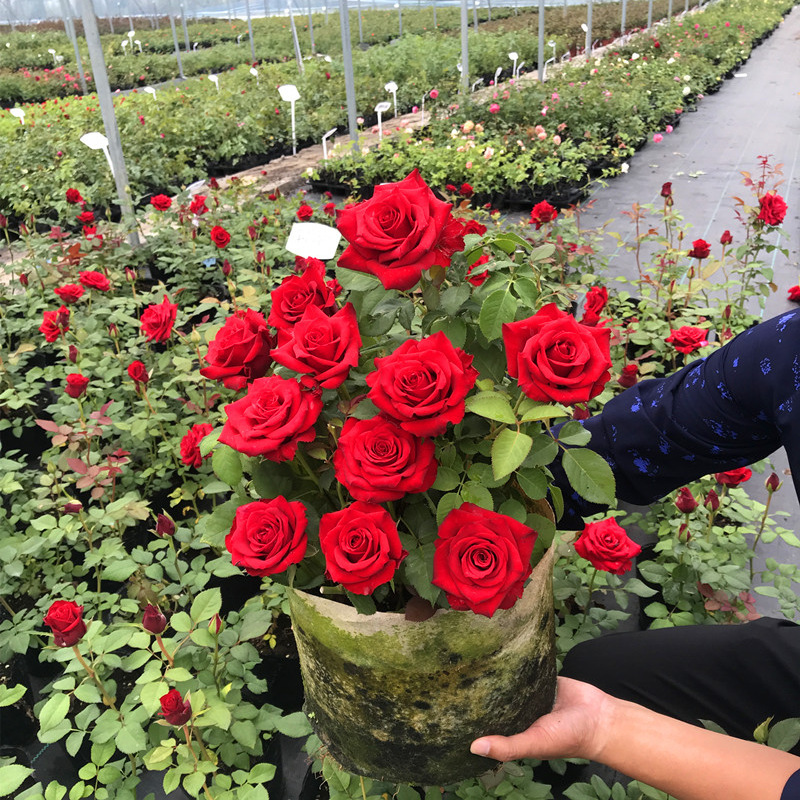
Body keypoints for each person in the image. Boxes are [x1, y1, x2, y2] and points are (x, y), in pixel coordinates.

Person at [471, 309, 800, 799]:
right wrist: (458, 506)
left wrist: (607, 731)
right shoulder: (790, 353)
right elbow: (652, 434)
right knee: (598, 672)